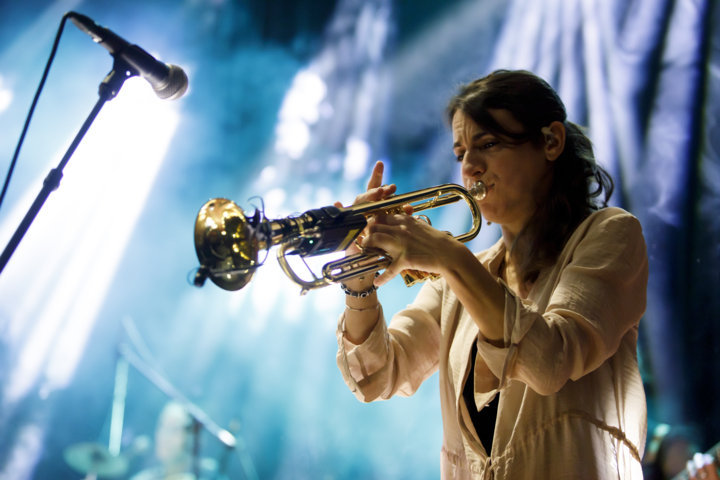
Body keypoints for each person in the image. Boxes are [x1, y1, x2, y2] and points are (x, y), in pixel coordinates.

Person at [334, 69, 649, 479]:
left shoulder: (611, 233)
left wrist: (451, 258)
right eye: (460, 154)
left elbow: (550, 361)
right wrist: (359, 280)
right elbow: (379, 375)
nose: (470, 167)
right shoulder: (460, 278)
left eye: (488, 144)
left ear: (551, 141)